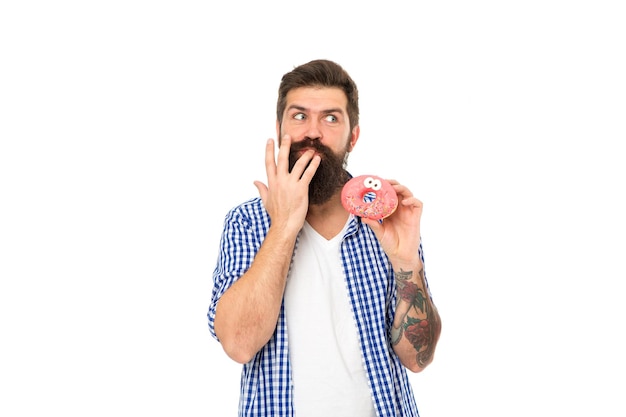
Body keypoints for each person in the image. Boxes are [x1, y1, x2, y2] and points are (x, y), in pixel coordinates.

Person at [207, 59, 442, 417]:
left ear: (353, 136)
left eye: (331, 118)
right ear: (280, 127)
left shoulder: (386, 221)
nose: (313, 132)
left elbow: (418, 358)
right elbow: (239, 344)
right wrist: (284, 226)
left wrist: (408, 262)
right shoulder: (246, 222)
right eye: (299, 116)